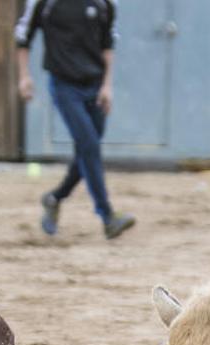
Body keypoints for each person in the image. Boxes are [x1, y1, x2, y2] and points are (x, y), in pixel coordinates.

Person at [16, 0, 135, 240]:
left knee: (86, 151)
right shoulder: (43, 3)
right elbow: (23, 36)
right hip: (64, 86)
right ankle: (107, 216)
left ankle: (55, 198)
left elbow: (108, 42)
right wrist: (24, 77)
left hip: (95, 85)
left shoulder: (104, 3)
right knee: (89, 146)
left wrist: (107, 86)